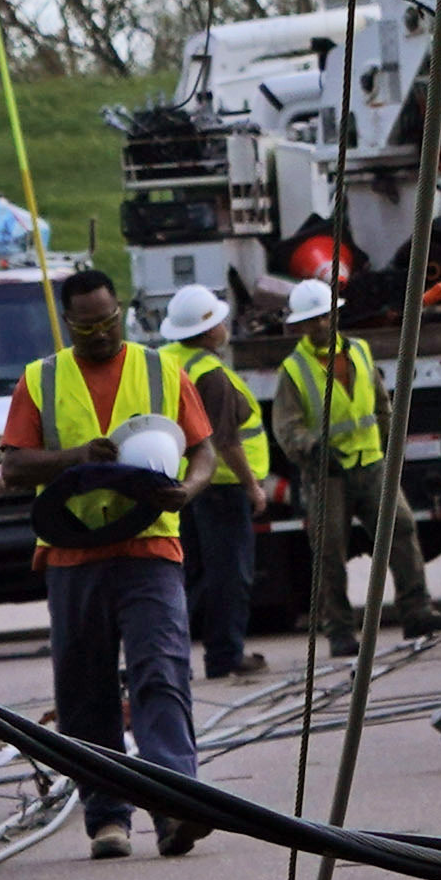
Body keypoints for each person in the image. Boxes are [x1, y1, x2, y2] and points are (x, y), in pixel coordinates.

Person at [0, 263, 226, 857]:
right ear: (67, 323)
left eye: (110, 320)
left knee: (161, 673)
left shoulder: (160, 368)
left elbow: (203, 449)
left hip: (150, 548)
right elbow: (15, 465)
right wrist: (74, 457)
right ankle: (107, 816)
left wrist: (192, 489)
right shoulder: (40, 379)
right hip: (73, 554)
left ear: (120, 310)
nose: (102, 333)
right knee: (85, 689)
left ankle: (176, 807)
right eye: (88, 325)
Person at [264, 278, 410, 648]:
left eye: (324, 317)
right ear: (298, 325)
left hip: (372, 463)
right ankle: (341, 631)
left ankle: (417, 610)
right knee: (329, 553)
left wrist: (391, 446)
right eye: (310, 320)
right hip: (327, 473)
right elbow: (286, 426)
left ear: (335, 315)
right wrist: (312, 449)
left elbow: (381, 404)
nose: (319, 325)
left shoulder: (359, 351)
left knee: (401, 531)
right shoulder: (294, 370)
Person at [153, 283, 274, 682]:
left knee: (190, 576)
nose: (225, 326)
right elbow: (225, 442)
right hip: (220, 487)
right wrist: (253, 486)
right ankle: (225, 655)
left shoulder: (164, 361)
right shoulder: (211, 374)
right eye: (219, 320)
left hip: (180, 483)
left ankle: (169, 657)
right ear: (208, 331)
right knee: (229, 575)